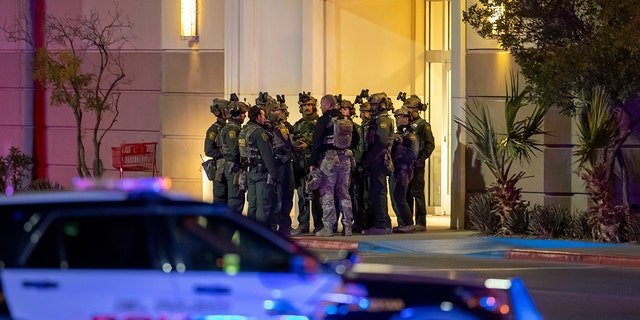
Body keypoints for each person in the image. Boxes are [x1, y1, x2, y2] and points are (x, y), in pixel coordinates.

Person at [309, 94, 359, 237]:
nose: (320, 108)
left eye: (321, 105)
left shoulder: (324, 120)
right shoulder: (347, 120)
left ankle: (328, 227)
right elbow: (356, 139)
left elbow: (317, 143)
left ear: (328, 105)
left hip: (329, 160)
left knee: (326, 193)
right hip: (345, 159)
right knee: (344, 193)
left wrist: (313, 163)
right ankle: (348, 226)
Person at [257, 92, 294, 235]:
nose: (277, 112)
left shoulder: (284, 124)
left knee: (287, 195)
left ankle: (285, 226)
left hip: (287, 163)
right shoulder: (265, 128)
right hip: (276, 164)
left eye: (278, 110)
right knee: (275, 197)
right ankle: (272, 225)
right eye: (273, 110)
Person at [361, 92, 395, 235]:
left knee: (379, 192)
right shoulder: (377, 119)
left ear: (381, 105)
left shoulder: (383, 121)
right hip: (375, 160)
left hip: (379, 160)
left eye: (374, 104)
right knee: (376, 193)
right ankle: (381, 222)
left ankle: (382, 224)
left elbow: (380, 143)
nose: (372, 107)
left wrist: (367, 161)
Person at [238, 105, 277, 227]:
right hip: (261, 173)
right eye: (263, 115)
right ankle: (261, 234)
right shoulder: (260, 133)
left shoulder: (244, 131)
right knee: (263, 205)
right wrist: (274, 174)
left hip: (249, 172)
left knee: (252, 205)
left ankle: (250, 235)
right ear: (258, 117)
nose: (264, 118)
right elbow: (267, 156)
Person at [291, 92, 323, 235]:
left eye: (309, 105)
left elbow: (322, 142)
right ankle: (303, 224)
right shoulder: (297, 125)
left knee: (317, 196)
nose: (307, 108)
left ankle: (319, 225)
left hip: (316, 164)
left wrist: (308, 145)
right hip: (301, 165)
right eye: (304, 105)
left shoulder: (320, 123)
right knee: (302, 196)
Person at [403, 95, 435, 231]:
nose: (408, 111)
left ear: (416, 109)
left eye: (410, 108)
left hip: (417, 164)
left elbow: (430, 144)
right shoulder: (406, 124)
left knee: (418, 192)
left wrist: (421, 159)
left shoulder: (423, 125)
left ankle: (421, 222)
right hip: (407, 164)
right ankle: (408, 221)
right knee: (407, 192)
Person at [389, 107, 420, 233]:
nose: (397, 120)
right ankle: (403, 223)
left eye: (400, 117)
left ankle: (408, 223)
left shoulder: (410, 136)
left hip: (404, 170)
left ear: (407, 119)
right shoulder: (400, 134)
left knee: (400, 197)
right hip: (397, 169)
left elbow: (413, 154)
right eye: (396, 117)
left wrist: (398, 159)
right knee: (397, 197)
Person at [220, 97, 249, 214]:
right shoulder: (232, 129)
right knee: (235, 198)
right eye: (243, 114)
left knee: (237, 197)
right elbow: (234, 151)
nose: (244, 116)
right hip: (234, 167)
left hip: (234, 166)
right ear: (237, 114)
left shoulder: (235, 128)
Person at [204, 98, 230, 204]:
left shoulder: (228, 127)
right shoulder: (214, 129)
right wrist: (223, 153)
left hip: (228, 169)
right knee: (220, 198)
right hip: (219, 169)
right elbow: (208, 150)